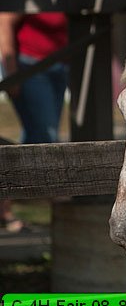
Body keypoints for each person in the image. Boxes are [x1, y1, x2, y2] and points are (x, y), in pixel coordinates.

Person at [0, 12, 69, 232]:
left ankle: (5, 208)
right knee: (45, 135)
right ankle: (59, 197)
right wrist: (10, 70)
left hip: (59, 63)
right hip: (30, 65)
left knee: (34, 137)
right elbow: (4, 20)